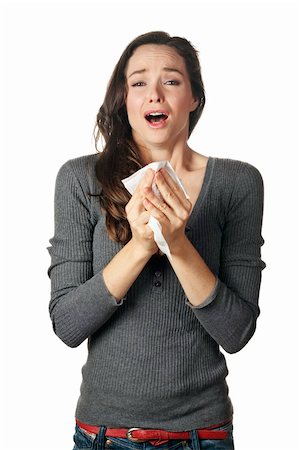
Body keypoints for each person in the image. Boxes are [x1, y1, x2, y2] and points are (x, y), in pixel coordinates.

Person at [47, 31, 266, 450]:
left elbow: (237, 332)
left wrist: (179, 244)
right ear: (124, 99)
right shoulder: (79, 179)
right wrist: (142, 245)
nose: (155, 94)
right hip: (104, 436)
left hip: (204, 435)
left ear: (194, 98)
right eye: (139, 82)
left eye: (171, 81)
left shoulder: (239, 183)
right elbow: (68, 325)